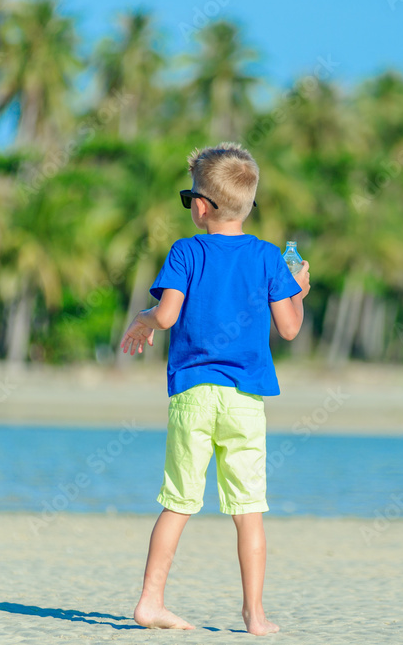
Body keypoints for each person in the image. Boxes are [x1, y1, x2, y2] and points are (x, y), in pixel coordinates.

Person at [119, 142, 310, 636]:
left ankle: (151, 601)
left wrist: (143, 319)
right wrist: (300, 293)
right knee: (249, 512)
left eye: (189, 198)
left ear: (202, 206)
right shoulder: (268, 258)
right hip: (244, 398)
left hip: (193, 394)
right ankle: (255, 615)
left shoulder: (185, 251)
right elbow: (290, 328)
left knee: (178, 502)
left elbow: (166, 315)